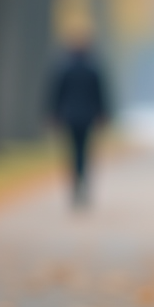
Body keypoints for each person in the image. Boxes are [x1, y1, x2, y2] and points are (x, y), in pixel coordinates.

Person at [48, 38, 109, 206]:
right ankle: (82, 182)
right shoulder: (93, 69)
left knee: (72, 152)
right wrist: (102, 114)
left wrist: (54, 114)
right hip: (87, 117)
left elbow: (56, 93)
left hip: (69, 116)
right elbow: (100, 94)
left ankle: (76, 184)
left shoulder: (64, 69)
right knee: (84, 151)